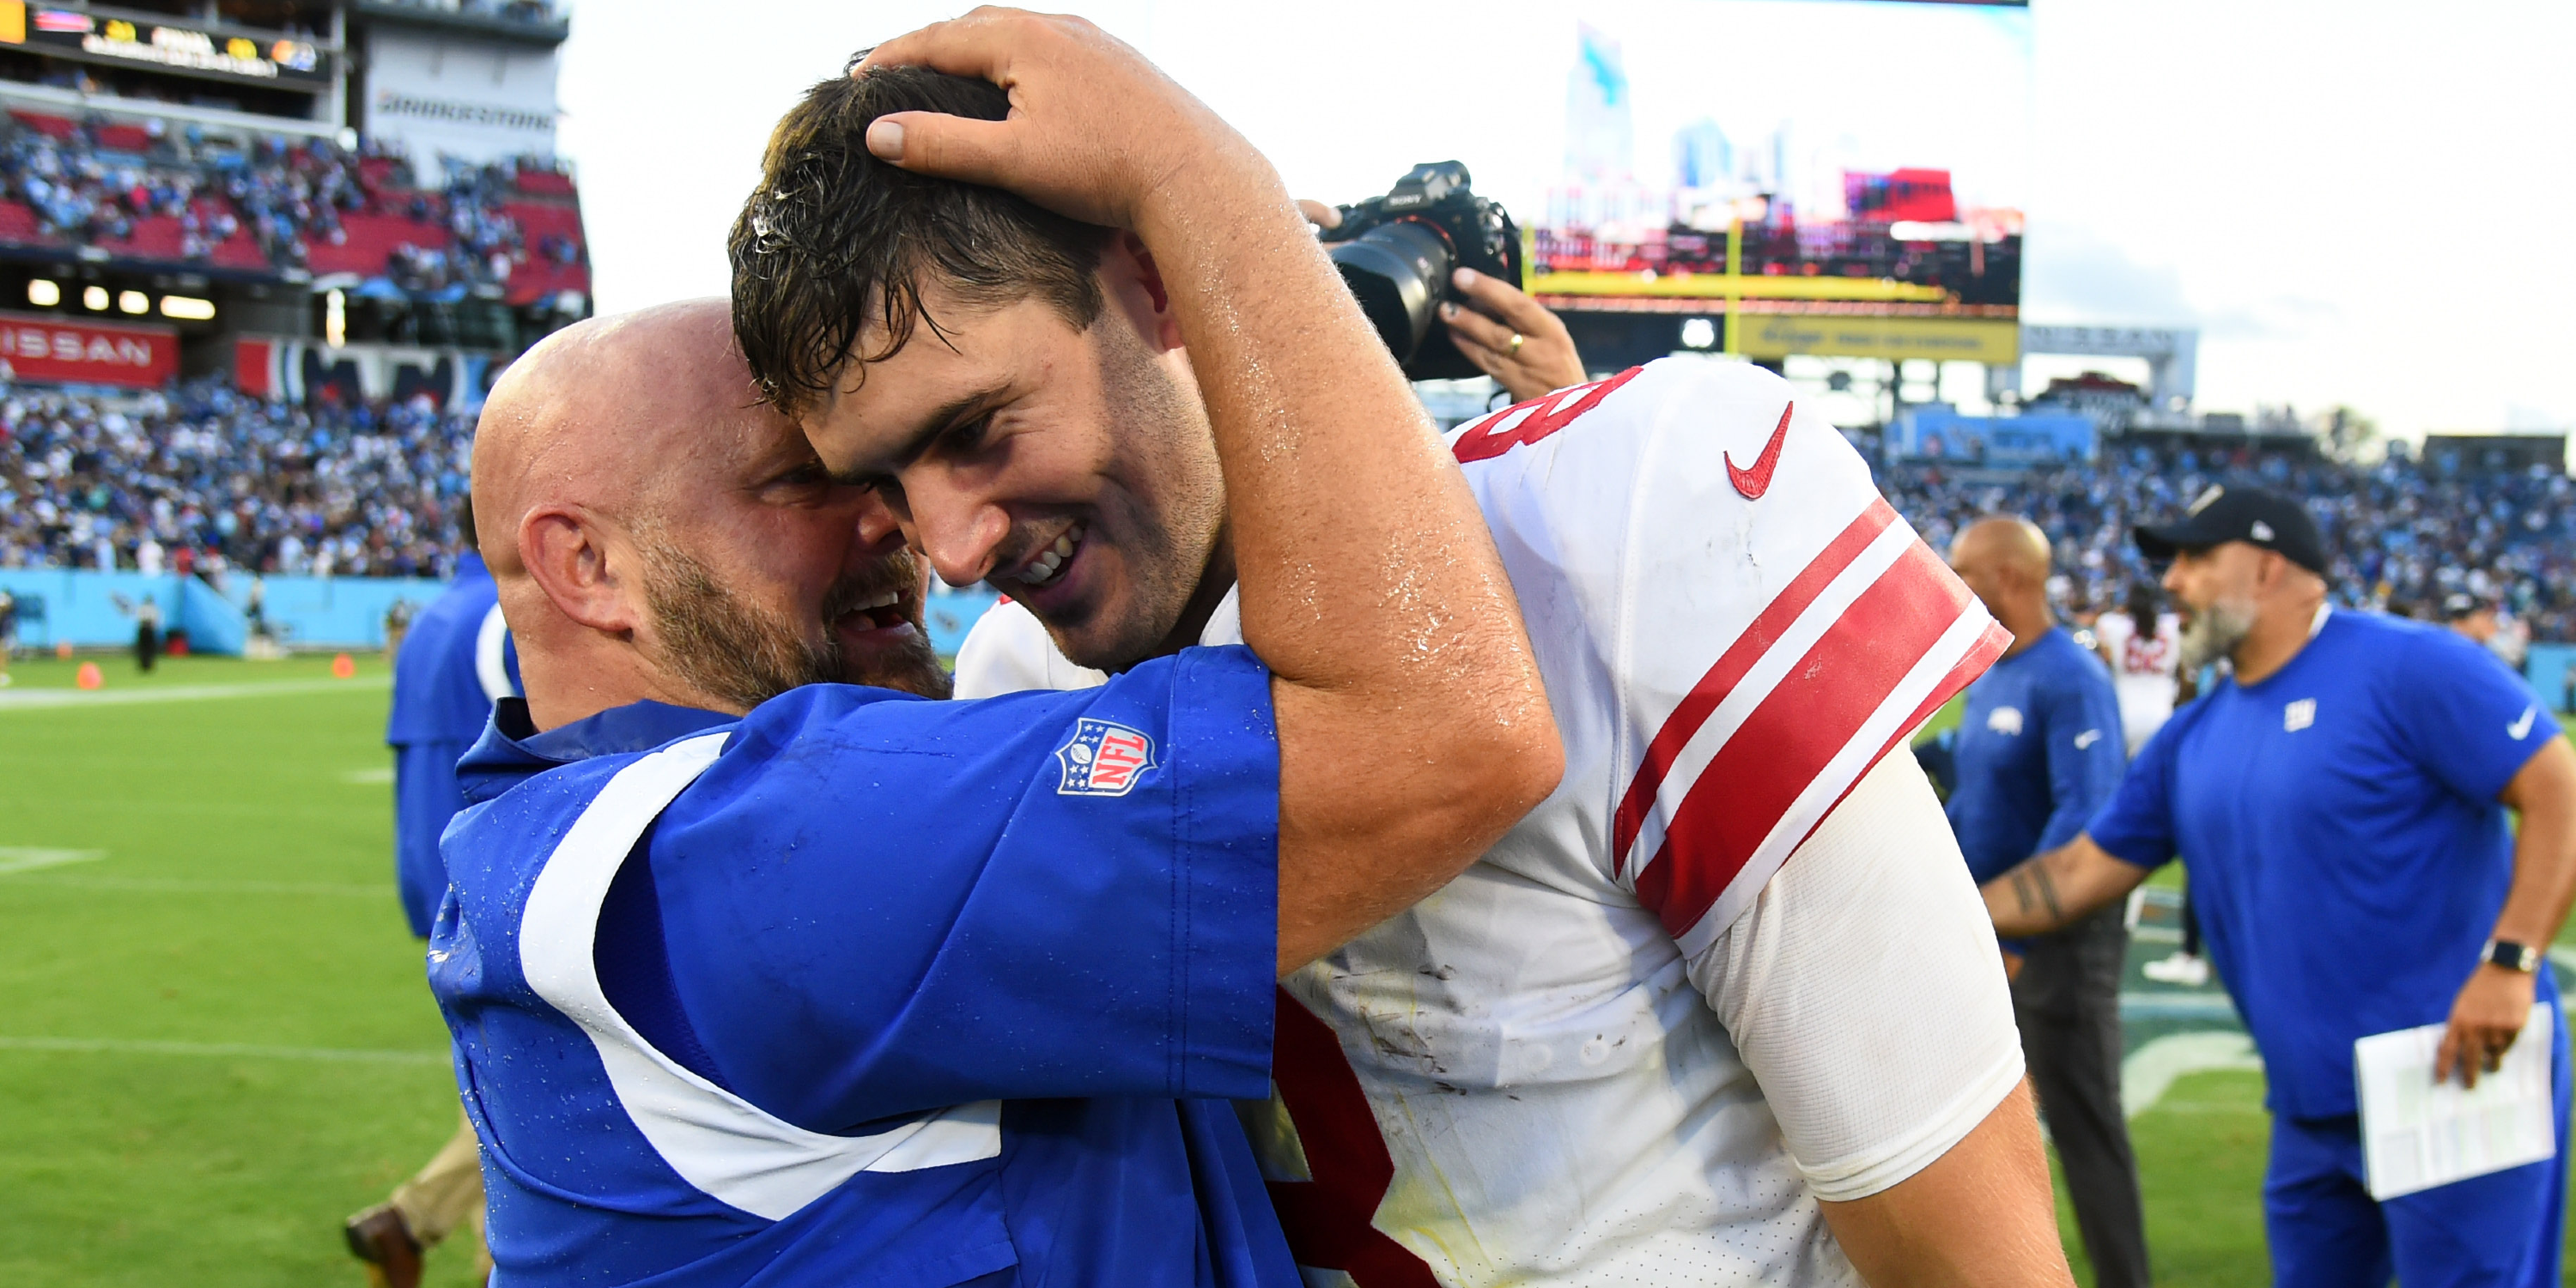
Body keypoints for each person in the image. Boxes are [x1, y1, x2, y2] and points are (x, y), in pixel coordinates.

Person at [740, 22, 2069, 1285]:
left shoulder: (1620, 518)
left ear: (1160, 277)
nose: (953, 548)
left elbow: (1966, 1251)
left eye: (976, 425)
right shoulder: (1018, 683)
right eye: (889, 478)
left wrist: (1193, 170)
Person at [437, 63, 1560, 1284]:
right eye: (808, 482)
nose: (921, 535)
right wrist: (1197, 189)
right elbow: (1438, 733)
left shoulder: (556, 847)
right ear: (587, 564)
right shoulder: (756, 853)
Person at [1981, 485, 2576, 1288]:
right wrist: (1939, 920)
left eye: (2196, 558)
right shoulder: (2194, 734)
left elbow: (2556, 787)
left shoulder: (2409, 664)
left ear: (2267, 569)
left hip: (2451, 1068)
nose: (2174, 582)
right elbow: (2080, 872)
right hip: (2308, 1100)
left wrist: (2511, 962)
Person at [1936, 517, 2148, 1288]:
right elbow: (1976, 794)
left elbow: (2083, 814)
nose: (1949, 580)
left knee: (2085, 1126)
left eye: (1962, 568)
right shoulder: (1996, 670)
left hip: (2055, 943)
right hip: (1988, 935)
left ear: (2011, 578)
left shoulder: (2072, 677)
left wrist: (2019, 935)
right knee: (1989, 1133)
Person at [343, 499, 519, 1288]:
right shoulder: (509, 614)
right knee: (524, 1110)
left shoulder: (433, 620)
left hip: (435, 872)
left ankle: (409, 1224)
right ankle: (417, 1222)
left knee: (503, 1097)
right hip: (504, 880)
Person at [2093, 581, 2181, 756]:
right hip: (2162, 716)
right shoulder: (2173, 626)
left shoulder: (2111, 625)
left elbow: (2104, 657)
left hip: (2123, 717)